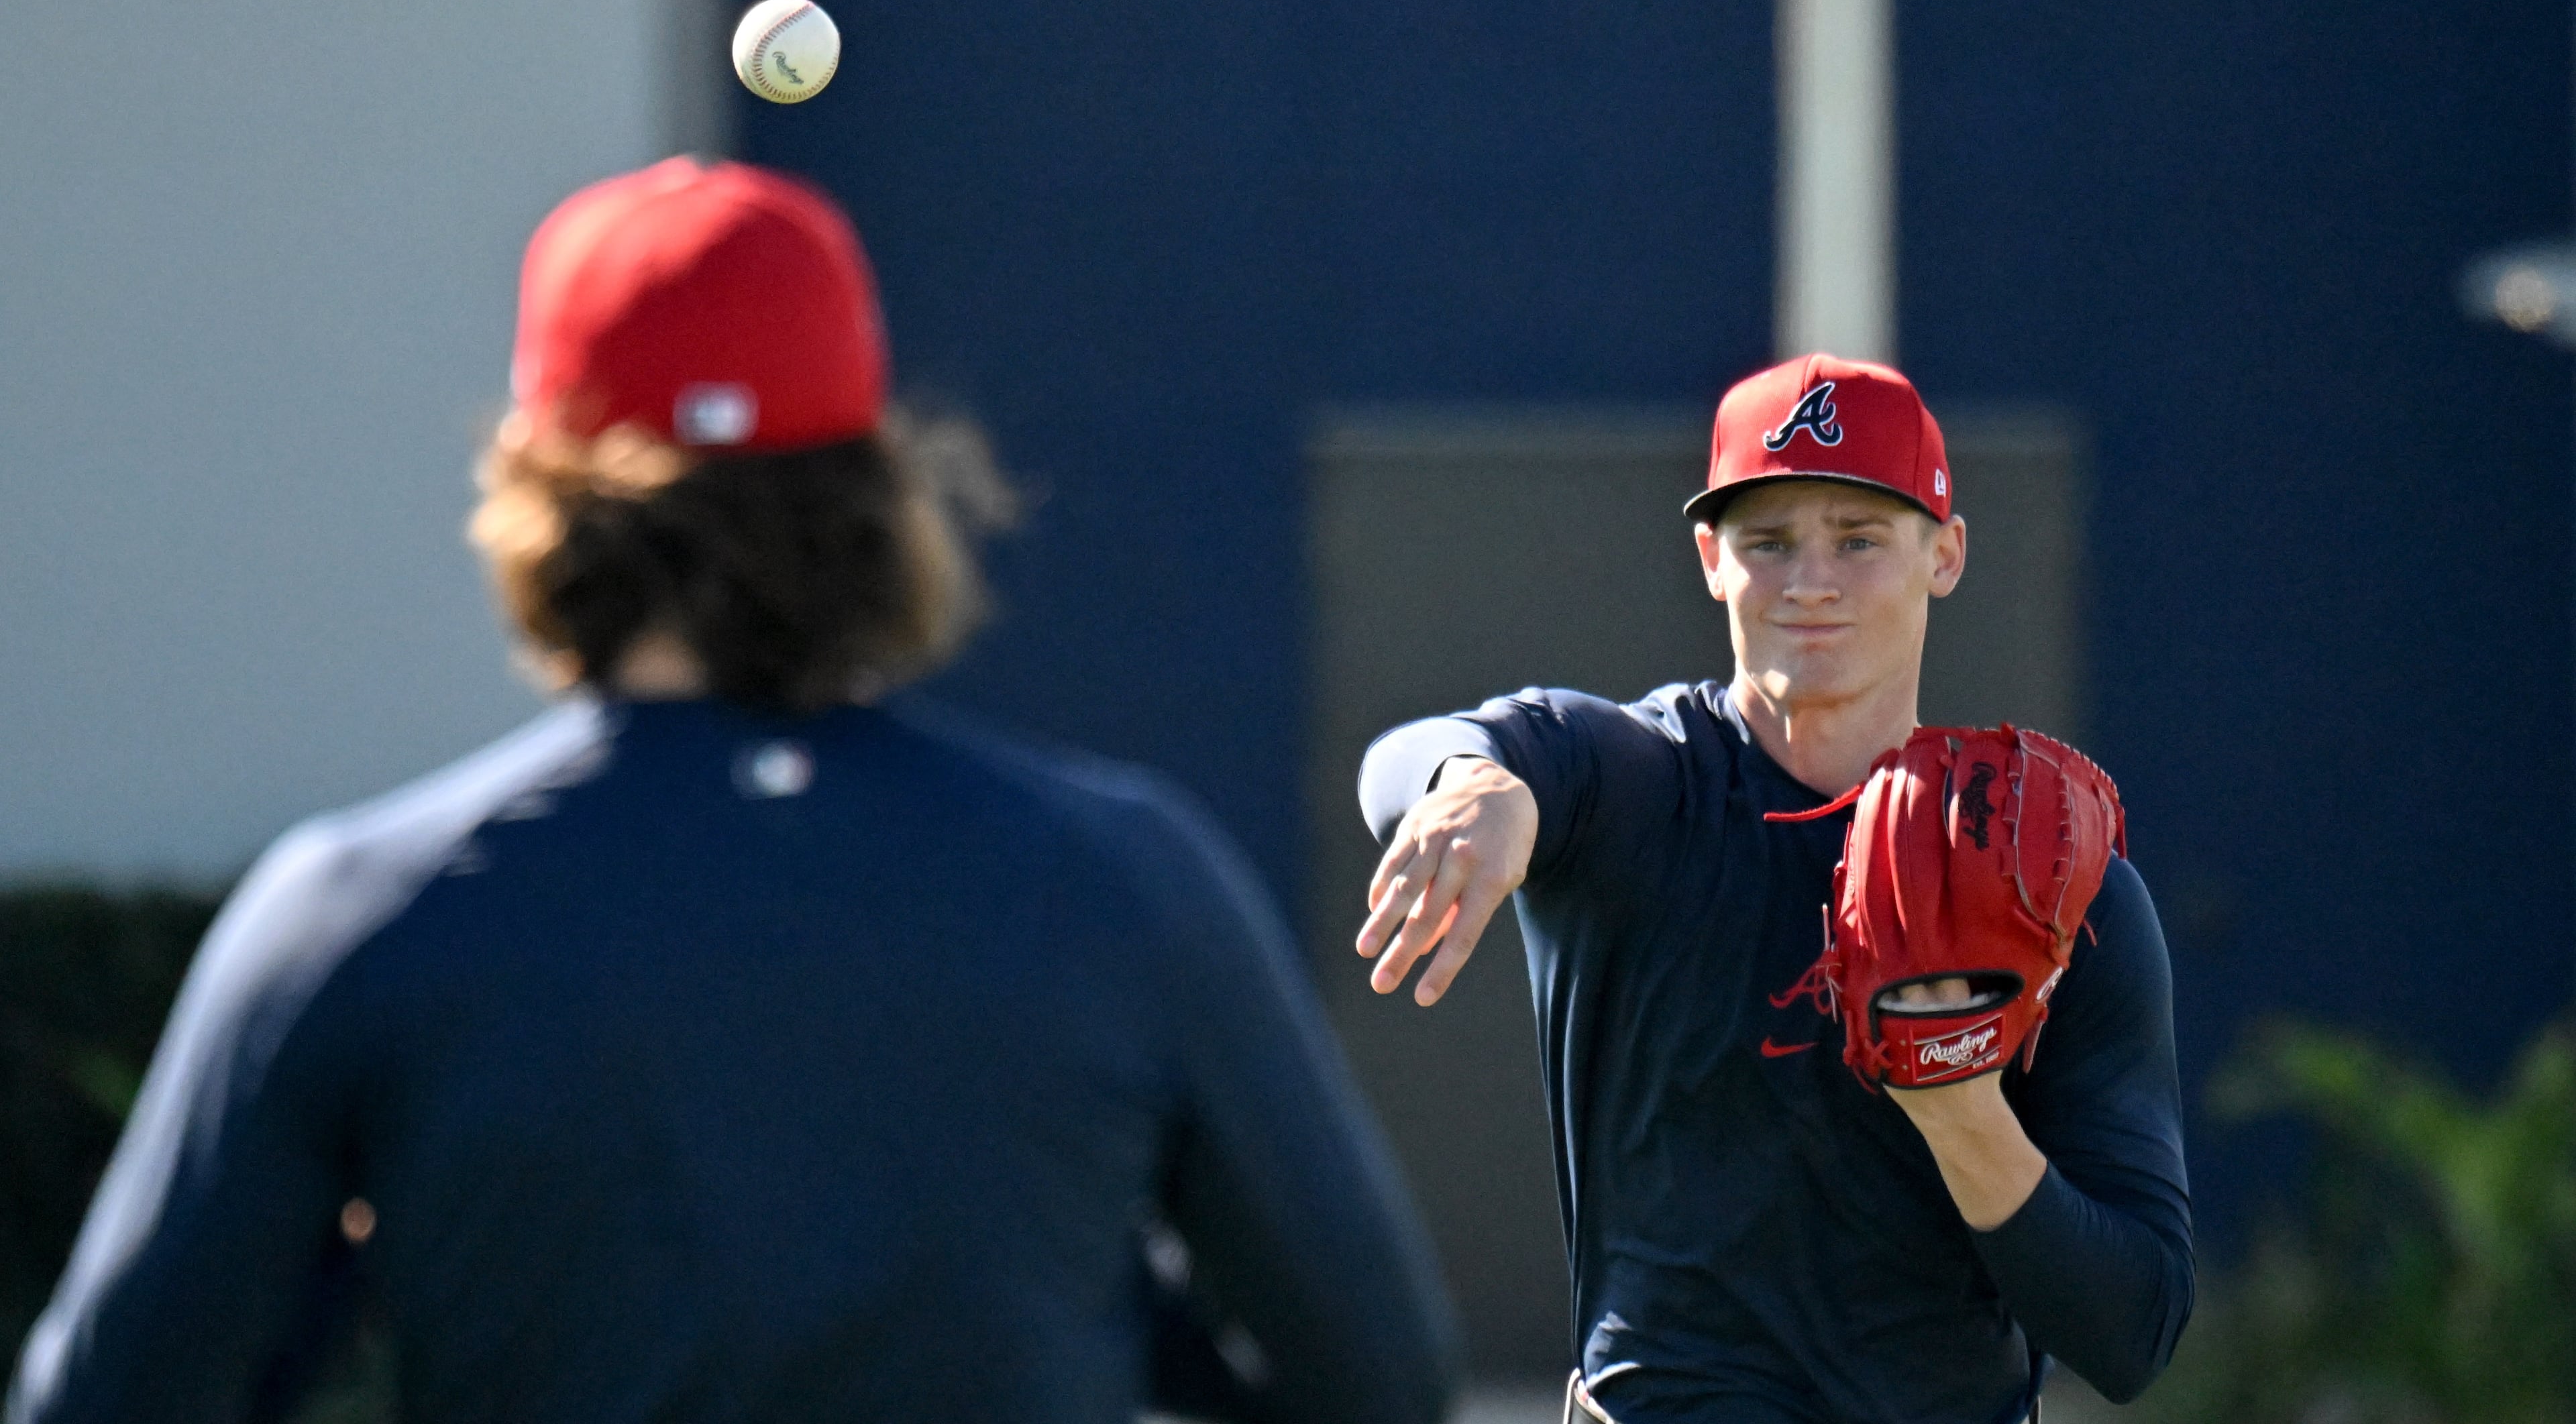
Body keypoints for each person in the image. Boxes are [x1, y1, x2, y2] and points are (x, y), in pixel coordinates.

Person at [7, 158, 1456, 1424]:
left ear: (540, 489)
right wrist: (1061, 1269)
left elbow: (113, 1401)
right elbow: (1377, 1383)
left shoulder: (355, 914)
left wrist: (373, 1261)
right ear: (881, 489)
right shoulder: (1127, 877)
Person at [1351, 355, 2191, 1424]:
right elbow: (1426, 754)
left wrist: (1962, 1111)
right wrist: (1476, 787)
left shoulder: (2047, 886)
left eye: (1859, 538)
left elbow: (2135, 1333)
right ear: (1709, 558)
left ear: (1947, 553)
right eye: (1769, 541)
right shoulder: (1636, 791)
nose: (1811, 582)